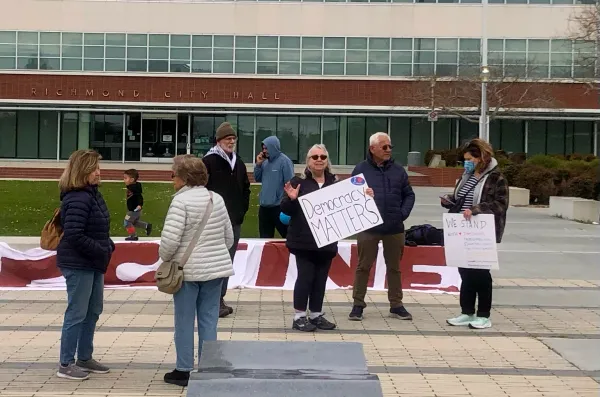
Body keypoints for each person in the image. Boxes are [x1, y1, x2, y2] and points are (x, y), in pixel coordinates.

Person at [159, 155, 234, 387]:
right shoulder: (216, 199)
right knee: (209, 319)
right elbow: (229, 238)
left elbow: (170, 243)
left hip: (187, 272)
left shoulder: (180, 202)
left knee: (184, 320)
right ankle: (209, 366)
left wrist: (165, 258)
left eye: (173, 175)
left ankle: (183, 369)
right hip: (215, 271)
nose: (172, 180)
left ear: (182, 178)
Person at [56, 149, 114, 380]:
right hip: (79, 263)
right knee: (76, 313)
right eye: (94, 169)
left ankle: (85, 357)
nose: (99, 173)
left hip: (93, 262)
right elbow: (74, 234)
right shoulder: (77, 198)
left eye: (99, 168)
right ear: (83, 172)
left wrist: (106, 245)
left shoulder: (92, 194)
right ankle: (65, 363)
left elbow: (97, 227)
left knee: (93, 311)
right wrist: (101, 249)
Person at [348, 132, 416, 322]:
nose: (388, 150)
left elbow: (409, 195)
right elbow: (351, 197)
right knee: (363, 266)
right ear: (372, 149)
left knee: (394, 268)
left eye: (390, 147)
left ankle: (396, 305)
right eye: (384, 147)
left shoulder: (399, 170)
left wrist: (402, 214)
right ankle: (358, 304)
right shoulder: (360, 169)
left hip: (394, 228)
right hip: (368, 227)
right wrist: (362, 195)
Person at [443, 139, 508, 330]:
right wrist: (449, 200)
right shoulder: (467, 176)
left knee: (480, 273)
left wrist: (477, 209)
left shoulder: (496, 178)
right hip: (462, 230)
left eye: (470, 159)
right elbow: (460, 197)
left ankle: (483, 315)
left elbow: (501, 204)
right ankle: (467, 311)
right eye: (465, 159)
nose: (467, 162)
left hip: (482, 232)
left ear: (481, 158)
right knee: (465, 272)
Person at [280, 144, 339, 332]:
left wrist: (365, 196)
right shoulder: (298, 182)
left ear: (327, 160)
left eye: (323, 156)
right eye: (315, 157)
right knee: (305, 278)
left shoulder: (336, 184)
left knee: (320, 279)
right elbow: (285, 210)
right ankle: (298, 316)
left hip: (327, 241)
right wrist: (291, 199)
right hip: (303, 241)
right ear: (308, 162)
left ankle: (315, 314)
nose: (319, 159)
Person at [203, 122, 251, 318]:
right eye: (227, 139)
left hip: (234, 220)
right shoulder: (209, 162)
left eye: (233, 139)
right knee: (214, 260)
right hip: (214, 220)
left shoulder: (238, 162)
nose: (231, 142)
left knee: (227, 261)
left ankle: (219, 297)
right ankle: (211, 299)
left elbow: (246, 187)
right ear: (219, 141)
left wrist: (241, 210)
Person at [254, 136, 294, 238]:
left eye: (266, 148)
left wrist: (286, 203)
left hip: (278, 207)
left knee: (288, 238)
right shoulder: (265, 162)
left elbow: (290, 183)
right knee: (265, 240)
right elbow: (257, 178)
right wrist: (258, 165)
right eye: (263, 148)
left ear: (273, 147)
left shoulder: (285, 161)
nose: (264, 151)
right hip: (264, 208)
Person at [122, 169, 152, 241]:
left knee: (127, 222)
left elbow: (139, 197)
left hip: (134, 210)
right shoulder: (132, 187)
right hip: (134, 210)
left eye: (126, 178)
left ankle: (133, 236)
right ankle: (146, 226)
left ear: (132, 180)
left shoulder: (134, 189)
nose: (124, 180)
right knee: (134, 222)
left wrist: (139, 205)